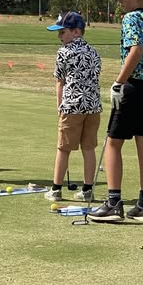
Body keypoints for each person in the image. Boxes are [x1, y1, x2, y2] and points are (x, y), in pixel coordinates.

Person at [89, 0, 143, 223]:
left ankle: (113, 202)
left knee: (113, 142)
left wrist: (118, 82)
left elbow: (136, 50)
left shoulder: (131, 18)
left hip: (134, 87)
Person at [43, 11, 102, 203]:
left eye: (62, 32)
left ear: (76, 32)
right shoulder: (94, 51)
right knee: (88, 148)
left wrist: (59, 107)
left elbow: (60, 82)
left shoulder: (63, 52)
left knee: (63, 148)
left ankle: (56, 189)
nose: (59, 37)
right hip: (93, 106)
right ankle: (87, 190)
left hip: (72, 106)